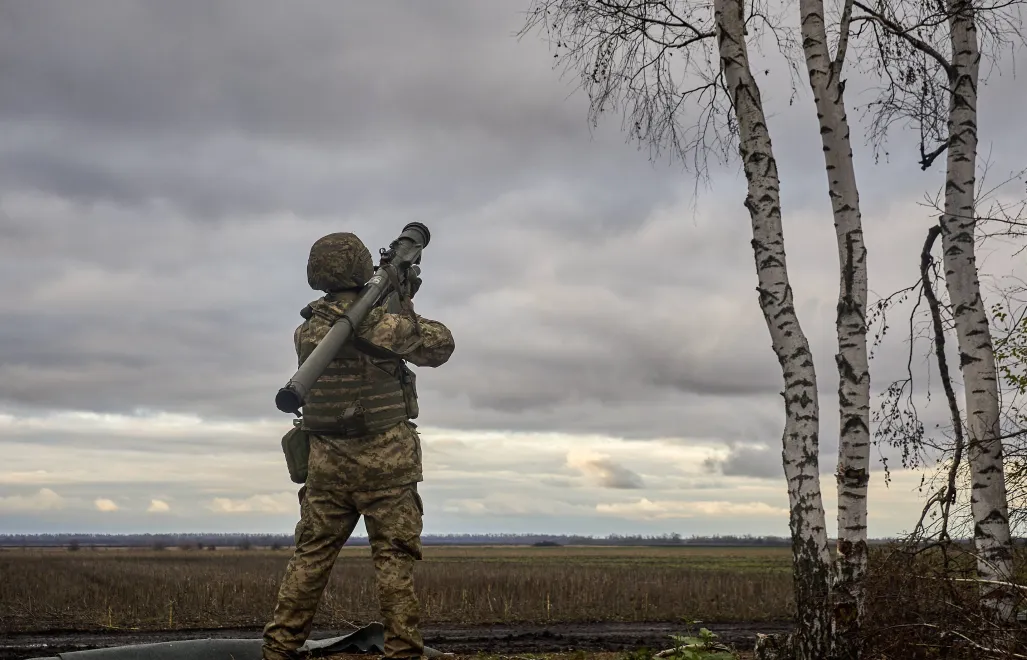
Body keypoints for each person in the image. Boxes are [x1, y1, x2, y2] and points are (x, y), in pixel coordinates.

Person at [262, 232, 455, 660]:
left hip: (327, 470)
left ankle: (278, 649)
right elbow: (440, 345)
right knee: (393, 563)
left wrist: (392, 296)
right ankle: (403, 651)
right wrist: (404, 307)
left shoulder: (307, 330)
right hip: (387, 469)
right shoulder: (381, 325)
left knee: (310, 560)